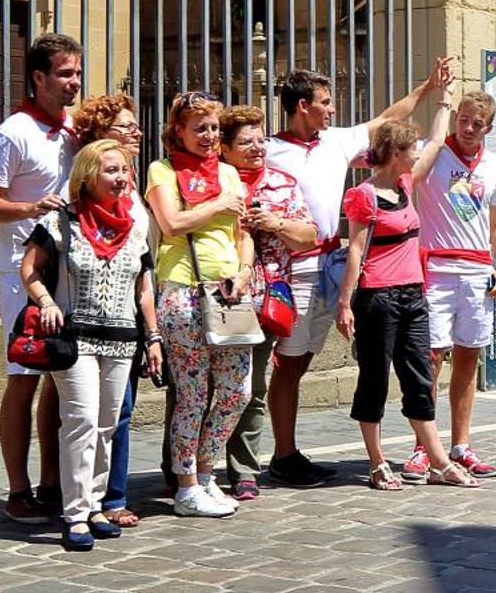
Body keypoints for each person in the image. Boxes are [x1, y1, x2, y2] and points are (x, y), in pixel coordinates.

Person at [260, 60, 453, 487]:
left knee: (304, 357)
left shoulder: (335, 140)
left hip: (329, 261)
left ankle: (288, 452)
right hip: (294, 265)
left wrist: (426, 85)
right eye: (325, 103)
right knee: (288, 361)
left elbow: (389, 119)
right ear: (302, 105)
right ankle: (283, 454)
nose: (332, 110)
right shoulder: (270, 150)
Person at [20, 139, 161, 551]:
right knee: (80, 421)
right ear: (87, 175)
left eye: (124, 171)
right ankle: (75, 512)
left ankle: (97, 503)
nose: (121, 178)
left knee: (106, 424)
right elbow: (28, 269)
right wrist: (46, 301)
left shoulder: (136, 226)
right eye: (111, 170)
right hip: (75, 339)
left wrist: (152, 336)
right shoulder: (60, 222)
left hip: (121, 340)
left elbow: (144, 288)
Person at [0, 32, 82, 524]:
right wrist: (29, 207)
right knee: (25, 377)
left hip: (73, 269)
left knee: (62, 378)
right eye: (64, 74)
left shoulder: (77, 129)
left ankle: (52, 482)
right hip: (23, 271)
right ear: (38, 77)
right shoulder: (12, 133)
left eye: (77, 73)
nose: (73, 83)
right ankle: (17, 489)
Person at [335, 116, 477, 490]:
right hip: (377, 297)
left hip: (413, 293)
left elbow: (433, 144)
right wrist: (345, 303)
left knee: (419, 377)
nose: (416, 155)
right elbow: (355, 250)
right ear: (396, 153)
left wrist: (443, 101)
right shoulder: (364, 195)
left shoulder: (403, 184)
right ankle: (378, 462)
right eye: (409, 150)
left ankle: (438, 461)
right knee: (375, 380)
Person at [144, 92, 254, 518]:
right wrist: (218, 205)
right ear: (178, 132)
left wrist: (244, 271)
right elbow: (171, 222)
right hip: (184, 290)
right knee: (192, 394)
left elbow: (242, 232)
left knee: (235, 391)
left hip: (228, 293)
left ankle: (207, 472)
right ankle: (186, 483)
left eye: (213, 128)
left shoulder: (228, 173)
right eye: (199, 128)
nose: (208, 136)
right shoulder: (163, 170)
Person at [403, 88, 496, 483]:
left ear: (488, 128)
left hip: (477, 271)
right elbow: (405, 177)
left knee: (468, 358)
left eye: (476, 123)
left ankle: (461, 444)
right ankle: (422, 447)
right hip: (436, 268)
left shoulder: (494, 165)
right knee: (429, 359)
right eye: (463, 119)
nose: (467, 128)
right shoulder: (433, 154)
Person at [220, 103, 317, 502]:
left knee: (252, 385)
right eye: (246, 142)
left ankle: (244, 469)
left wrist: (275, 223)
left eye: (261, 140)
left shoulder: (282, 183)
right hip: (219, 293)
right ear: (224, 148)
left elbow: (309, 235)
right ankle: (185, 467)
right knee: (205, 386)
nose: (258, 148)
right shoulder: (214, 182)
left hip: (265, 299)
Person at [66, 92, 149, 527]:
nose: (136, 132)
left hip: (126, 321)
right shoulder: (75, 206)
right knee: (85, 416)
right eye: (124, 127)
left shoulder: (133, 193)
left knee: (120, 411)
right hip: (85, 324)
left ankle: (107, 497)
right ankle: (84, 501)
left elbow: (143, 266)